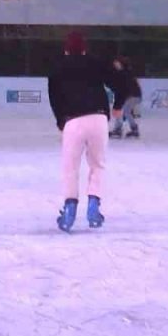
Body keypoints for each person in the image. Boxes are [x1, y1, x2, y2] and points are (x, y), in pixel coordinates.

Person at [48, 31, 120, 232]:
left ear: (66, 49)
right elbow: (119, 81)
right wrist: (118, 104)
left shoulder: (58, 67)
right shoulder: (96, 62)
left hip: (73, 121)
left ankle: (70, 209)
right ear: (84, 48)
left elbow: (54, 97)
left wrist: (60, 121)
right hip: (98, 119)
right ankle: (94, 206)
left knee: (70, 168)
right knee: (98, 164)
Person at [109, 57, 143, 139]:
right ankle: (132, 129)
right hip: (133, 95)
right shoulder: (125, 72)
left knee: (122, 110)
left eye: (116, 63)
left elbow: (125, 87)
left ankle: (119, 129)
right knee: (124, 111)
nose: (115, 65)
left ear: (121, 64)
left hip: (133, 96)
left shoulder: (124, 73)